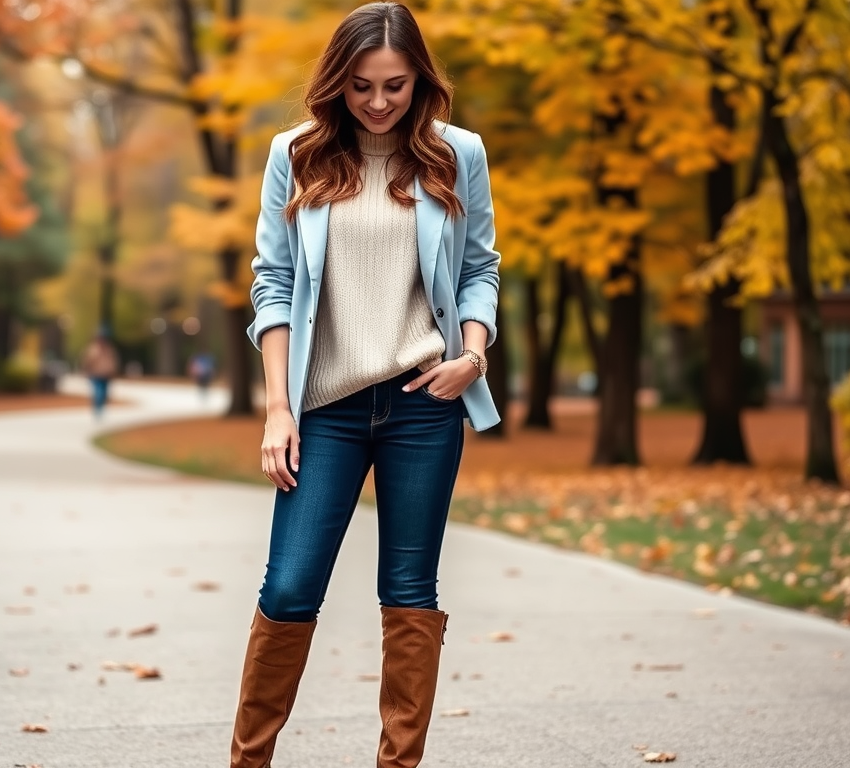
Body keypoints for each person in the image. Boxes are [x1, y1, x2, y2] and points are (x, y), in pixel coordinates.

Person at [231, 3, 500, 766]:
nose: (379, 103)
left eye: (395, 86)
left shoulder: (458, 154)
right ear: (335, 84)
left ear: (420, 80)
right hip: (326, 409)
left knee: (410, 589)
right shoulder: (297, 154)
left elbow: (479, 266)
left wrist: (472, 355)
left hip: (424, 403)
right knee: (288, 589)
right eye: (360, 87)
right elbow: (274, 282)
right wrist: (278, 408)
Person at [80, 330, 119, 419]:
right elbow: (87, 361)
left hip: (106, 374)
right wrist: (86, 370)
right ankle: (97, 409)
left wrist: (113, 371)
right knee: (98, 392)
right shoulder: (92, 349)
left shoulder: (109, 350)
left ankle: (100, 407)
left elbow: (113, 362)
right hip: (95, 374)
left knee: (105, 393)